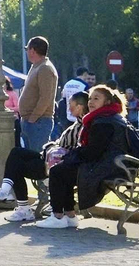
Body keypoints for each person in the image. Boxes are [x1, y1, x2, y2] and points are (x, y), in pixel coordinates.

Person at [33, 85, 134, 229]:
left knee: (57, 172)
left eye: (96, 99)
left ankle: (57, 216)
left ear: (107, 102)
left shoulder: (104, 122)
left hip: (108, 169)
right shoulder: (108, 117)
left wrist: (72, 155)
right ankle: (69, 216)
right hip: (112, 165)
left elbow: (93, 152)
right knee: (64, 168)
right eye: (91, 98)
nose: (91, 102)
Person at [6, 91, 91, 222]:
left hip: (54, 163)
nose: (68, 108)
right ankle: (7, 189)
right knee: (16, 153)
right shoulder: (79, 123)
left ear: (79, 107)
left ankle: (19, 203)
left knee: (16, 164)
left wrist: (52, 149)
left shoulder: (83, 126)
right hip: (50, 157)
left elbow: (71, 148)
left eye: (71, 105)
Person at [0, 35, 58, 203]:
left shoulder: (45, 68)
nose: (27, 53)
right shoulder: (37, 67)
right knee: (34, 162)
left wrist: (33, 118)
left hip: (38, 122)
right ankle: (42, 198)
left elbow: (46, 97)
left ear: (32, 50)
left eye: (28, 49)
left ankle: (46, 199)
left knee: (39, 163)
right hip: (31, 121)